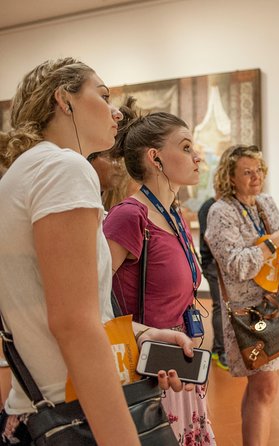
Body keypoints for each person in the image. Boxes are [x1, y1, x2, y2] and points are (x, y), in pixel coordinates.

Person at [0, 57, 192, 446]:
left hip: (39, 408)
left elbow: (47, 304)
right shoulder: (64, 167)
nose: (116, 111)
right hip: (75, 408)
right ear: (64, 100)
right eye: (103, 96)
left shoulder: (25, 171)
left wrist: (140, 334)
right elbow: (73, 323)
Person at [103, 108, 215, 444]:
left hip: (177, 363)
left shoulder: (174, 214)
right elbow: (89, 297)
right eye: (184, 147)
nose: (197, 157)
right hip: (146, 369)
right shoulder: (130, 216)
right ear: (155, 158)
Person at [205, 145, 279, 446]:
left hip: (274, 304)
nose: (255, 177)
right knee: (264, 386)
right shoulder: (220, 211)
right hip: (248, 313)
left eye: (259, 170)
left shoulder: (265, 202)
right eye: (247, 172)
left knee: (263, 387)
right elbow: (235, 266)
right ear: (230, 177)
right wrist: (272, 245)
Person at [197, 194, 228, 371]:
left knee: (226, 307)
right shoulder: (208, 207)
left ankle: (224, 347)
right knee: (220, 306)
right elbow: (211, 239)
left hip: (225, 266)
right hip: (213, 265)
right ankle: (219, 350)